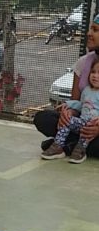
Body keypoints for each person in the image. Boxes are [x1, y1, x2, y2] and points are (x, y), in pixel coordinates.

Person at [34, 16, 99, 159]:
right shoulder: (83, 63)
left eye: (95, 30)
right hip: (81, 122)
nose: (88, 33)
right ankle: (76, 145)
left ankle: (66, 144)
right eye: (90, 29)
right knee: (43, 118)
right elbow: (76, 103)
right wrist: (68, 113)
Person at [41, 56, 99, 163]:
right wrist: (67, 106)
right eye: (93, 72)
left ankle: (77, 148)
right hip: (81, 122)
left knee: (88, 132)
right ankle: (58, 146)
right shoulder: (86, 90)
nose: (95, 76)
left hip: (92, 127)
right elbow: (81, 105)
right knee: (60, 120)